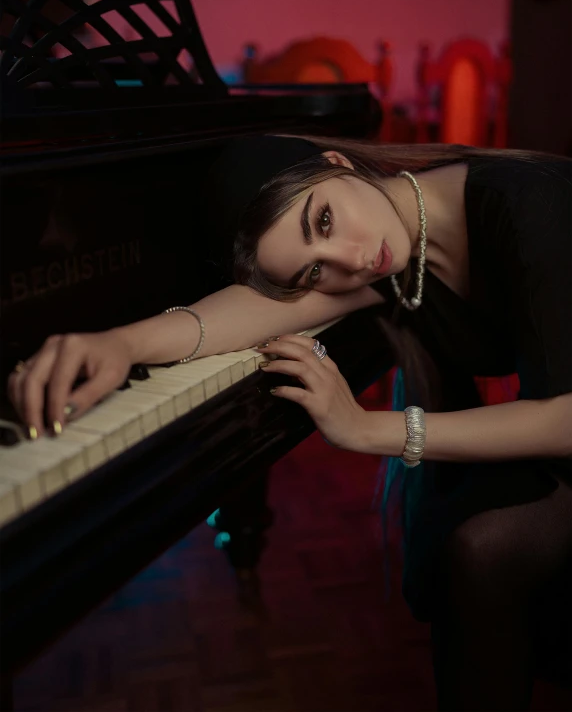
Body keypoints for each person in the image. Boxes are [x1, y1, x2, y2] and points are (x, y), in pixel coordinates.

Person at [8, 134, 572, 710]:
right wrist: (122, 343)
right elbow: (248, 313)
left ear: (337, 163)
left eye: (323, 220)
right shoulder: (389, 244)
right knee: (478, 549)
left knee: (485, 548)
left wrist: (369, 429)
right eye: (313, 272)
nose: (349, 260)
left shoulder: (526, 204)